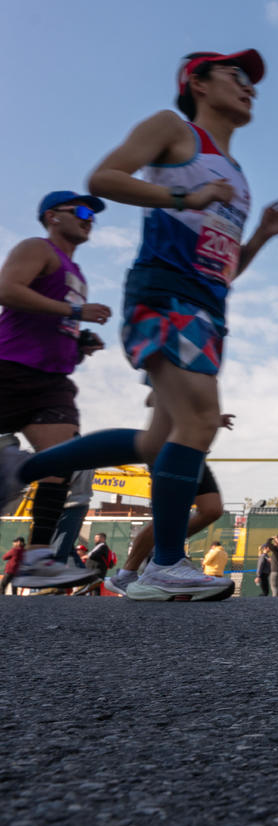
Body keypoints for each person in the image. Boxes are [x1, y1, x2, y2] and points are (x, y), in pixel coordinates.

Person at [1, 50, 278, 602]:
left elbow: (223, 271)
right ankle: (162, 564)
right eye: (236, 76)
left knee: (157, 440)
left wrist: (261, 236)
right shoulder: (174, 131)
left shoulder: (235, 176)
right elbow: (103, 177)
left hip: (206, 307)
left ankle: (23, 470)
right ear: (199, 83)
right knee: (201, 418)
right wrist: (184, 194)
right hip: (164, 293)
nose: (249, 87)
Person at [0, 190, 112, 591]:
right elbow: (8, 290)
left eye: (93, 214)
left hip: (52, 383)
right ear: (52, 216)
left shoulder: (76, 274)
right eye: (80, 211)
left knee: (61, 460)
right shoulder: (37, 248)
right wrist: (74, 312)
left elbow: (55, 322)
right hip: (11, 368)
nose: (88, 218)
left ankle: (37, 556)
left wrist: (79, 343)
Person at [106, 408, 232, 595]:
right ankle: (127, 574)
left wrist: (211, 419)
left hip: (195, 450)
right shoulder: (180, 381)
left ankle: (165, 553)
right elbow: (162, 397)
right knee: (170, 514)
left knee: (212, 510)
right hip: (172, 446)